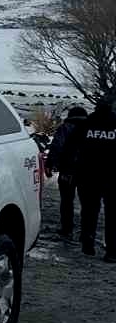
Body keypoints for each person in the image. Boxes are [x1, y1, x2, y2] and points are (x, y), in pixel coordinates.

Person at [76, 95, 116, 261]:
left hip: (88, 175)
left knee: (89, 211)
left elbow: (73, 147)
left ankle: (88, 243)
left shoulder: (85, 124)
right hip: (112, 176)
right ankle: (112, 251)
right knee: (113, 214)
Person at [46, 105, 88, 238]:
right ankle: (86, 231)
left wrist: (50, 164)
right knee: (87, 202)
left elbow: (57, 146)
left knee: (66, 200)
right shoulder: (90, 128)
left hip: (67, 170)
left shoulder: (65, 128)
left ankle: (67, 228)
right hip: (87, 171)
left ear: (70, 115)